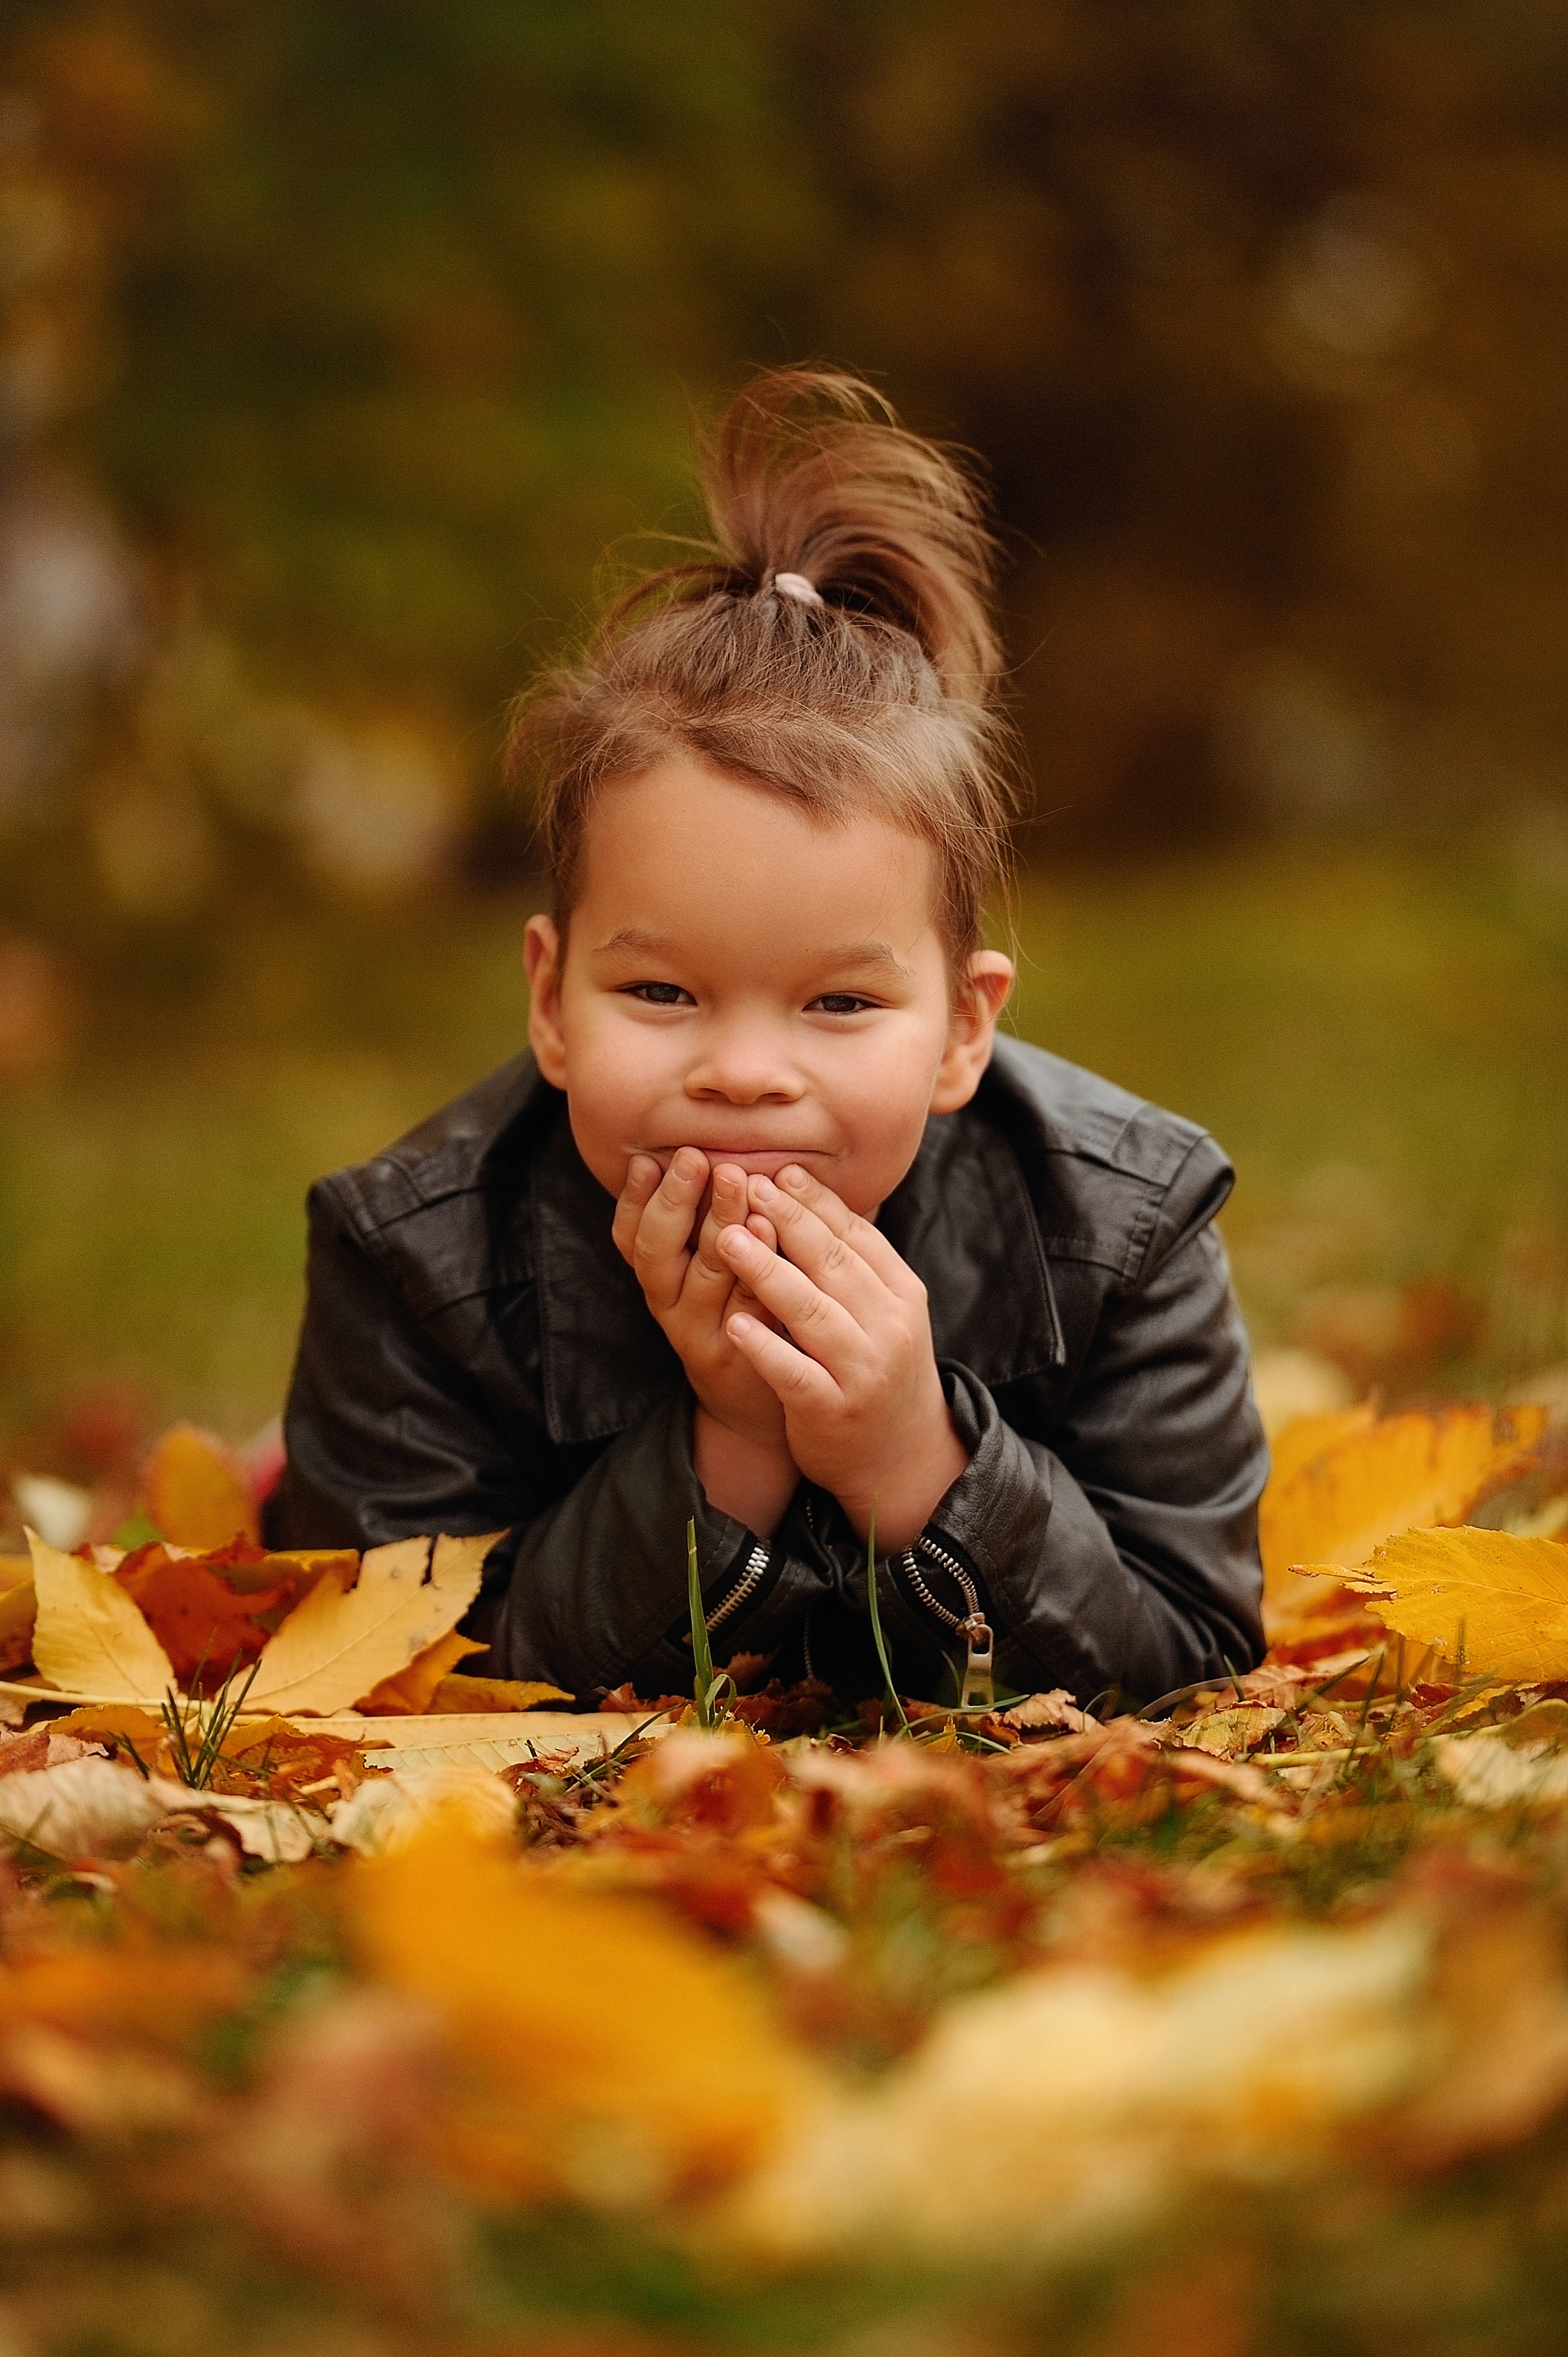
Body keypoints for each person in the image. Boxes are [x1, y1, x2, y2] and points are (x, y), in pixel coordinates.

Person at [271, 368, 1267, 1710]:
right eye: (661, 995)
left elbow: (1186, 1654)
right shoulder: (416, 1261)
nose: (743, 1071)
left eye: (839, 1004)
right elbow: (393, 1673)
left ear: (962, 1029)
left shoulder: (1121, 1227)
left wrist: (916, 1461)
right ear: (548, 999)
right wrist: (730, 1442)